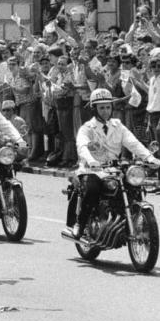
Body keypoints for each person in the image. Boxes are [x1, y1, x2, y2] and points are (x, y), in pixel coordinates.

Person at [67, 88, 160, 238]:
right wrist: (91, 161)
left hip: (114, 168)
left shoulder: (118, 126)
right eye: (101, 107)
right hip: (92, 169)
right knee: (91, 189)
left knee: (134, 186)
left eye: (108, 107)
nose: (105, 111)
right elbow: (82, 146)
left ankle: (134, 220)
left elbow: (133, 143)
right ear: (94, 109)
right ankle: (80, 223)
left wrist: (150, 158)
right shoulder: (87, 128)